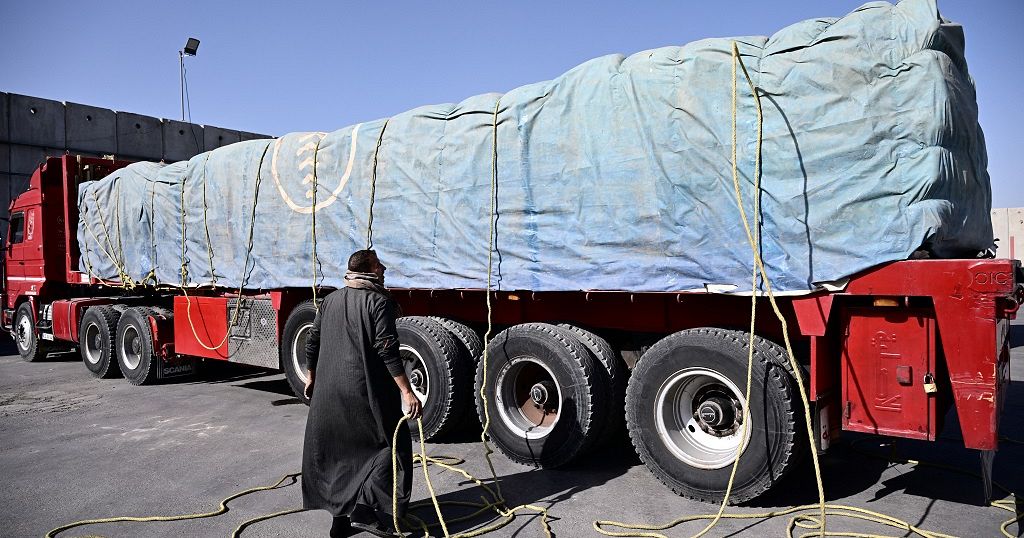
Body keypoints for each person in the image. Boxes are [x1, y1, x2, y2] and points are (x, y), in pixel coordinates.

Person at [301, 249, 422, 537]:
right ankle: (368, 512)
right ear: (367, 270)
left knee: (341, 455)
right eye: (378, 265)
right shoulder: (379, 302)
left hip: (328, 395)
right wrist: (407, 391)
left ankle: (340, 522)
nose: (383, 269)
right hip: (362, 393)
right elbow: (387, 350)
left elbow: (313, 340)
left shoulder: (330, 301)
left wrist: (311, 377)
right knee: (390, 447)